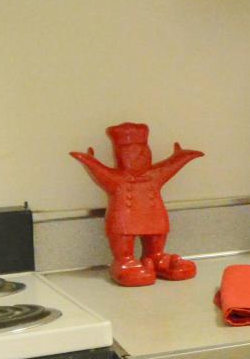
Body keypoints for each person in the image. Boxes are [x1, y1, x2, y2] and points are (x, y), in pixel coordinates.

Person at [70, 122, 204, 286]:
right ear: (119, 155)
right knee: (123, 240)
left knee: (157, 236)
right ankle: (124, 261)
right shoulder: (117, 179)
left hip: (154, 218)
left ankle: (155, 257)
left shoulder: (154, 175)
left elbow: (173, 165)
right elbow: (99, 172)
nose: (140, 156)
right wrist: (89, 161)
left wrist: (183, 156)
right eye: (132, 153)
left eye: (143, 151)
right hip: (124, 221)